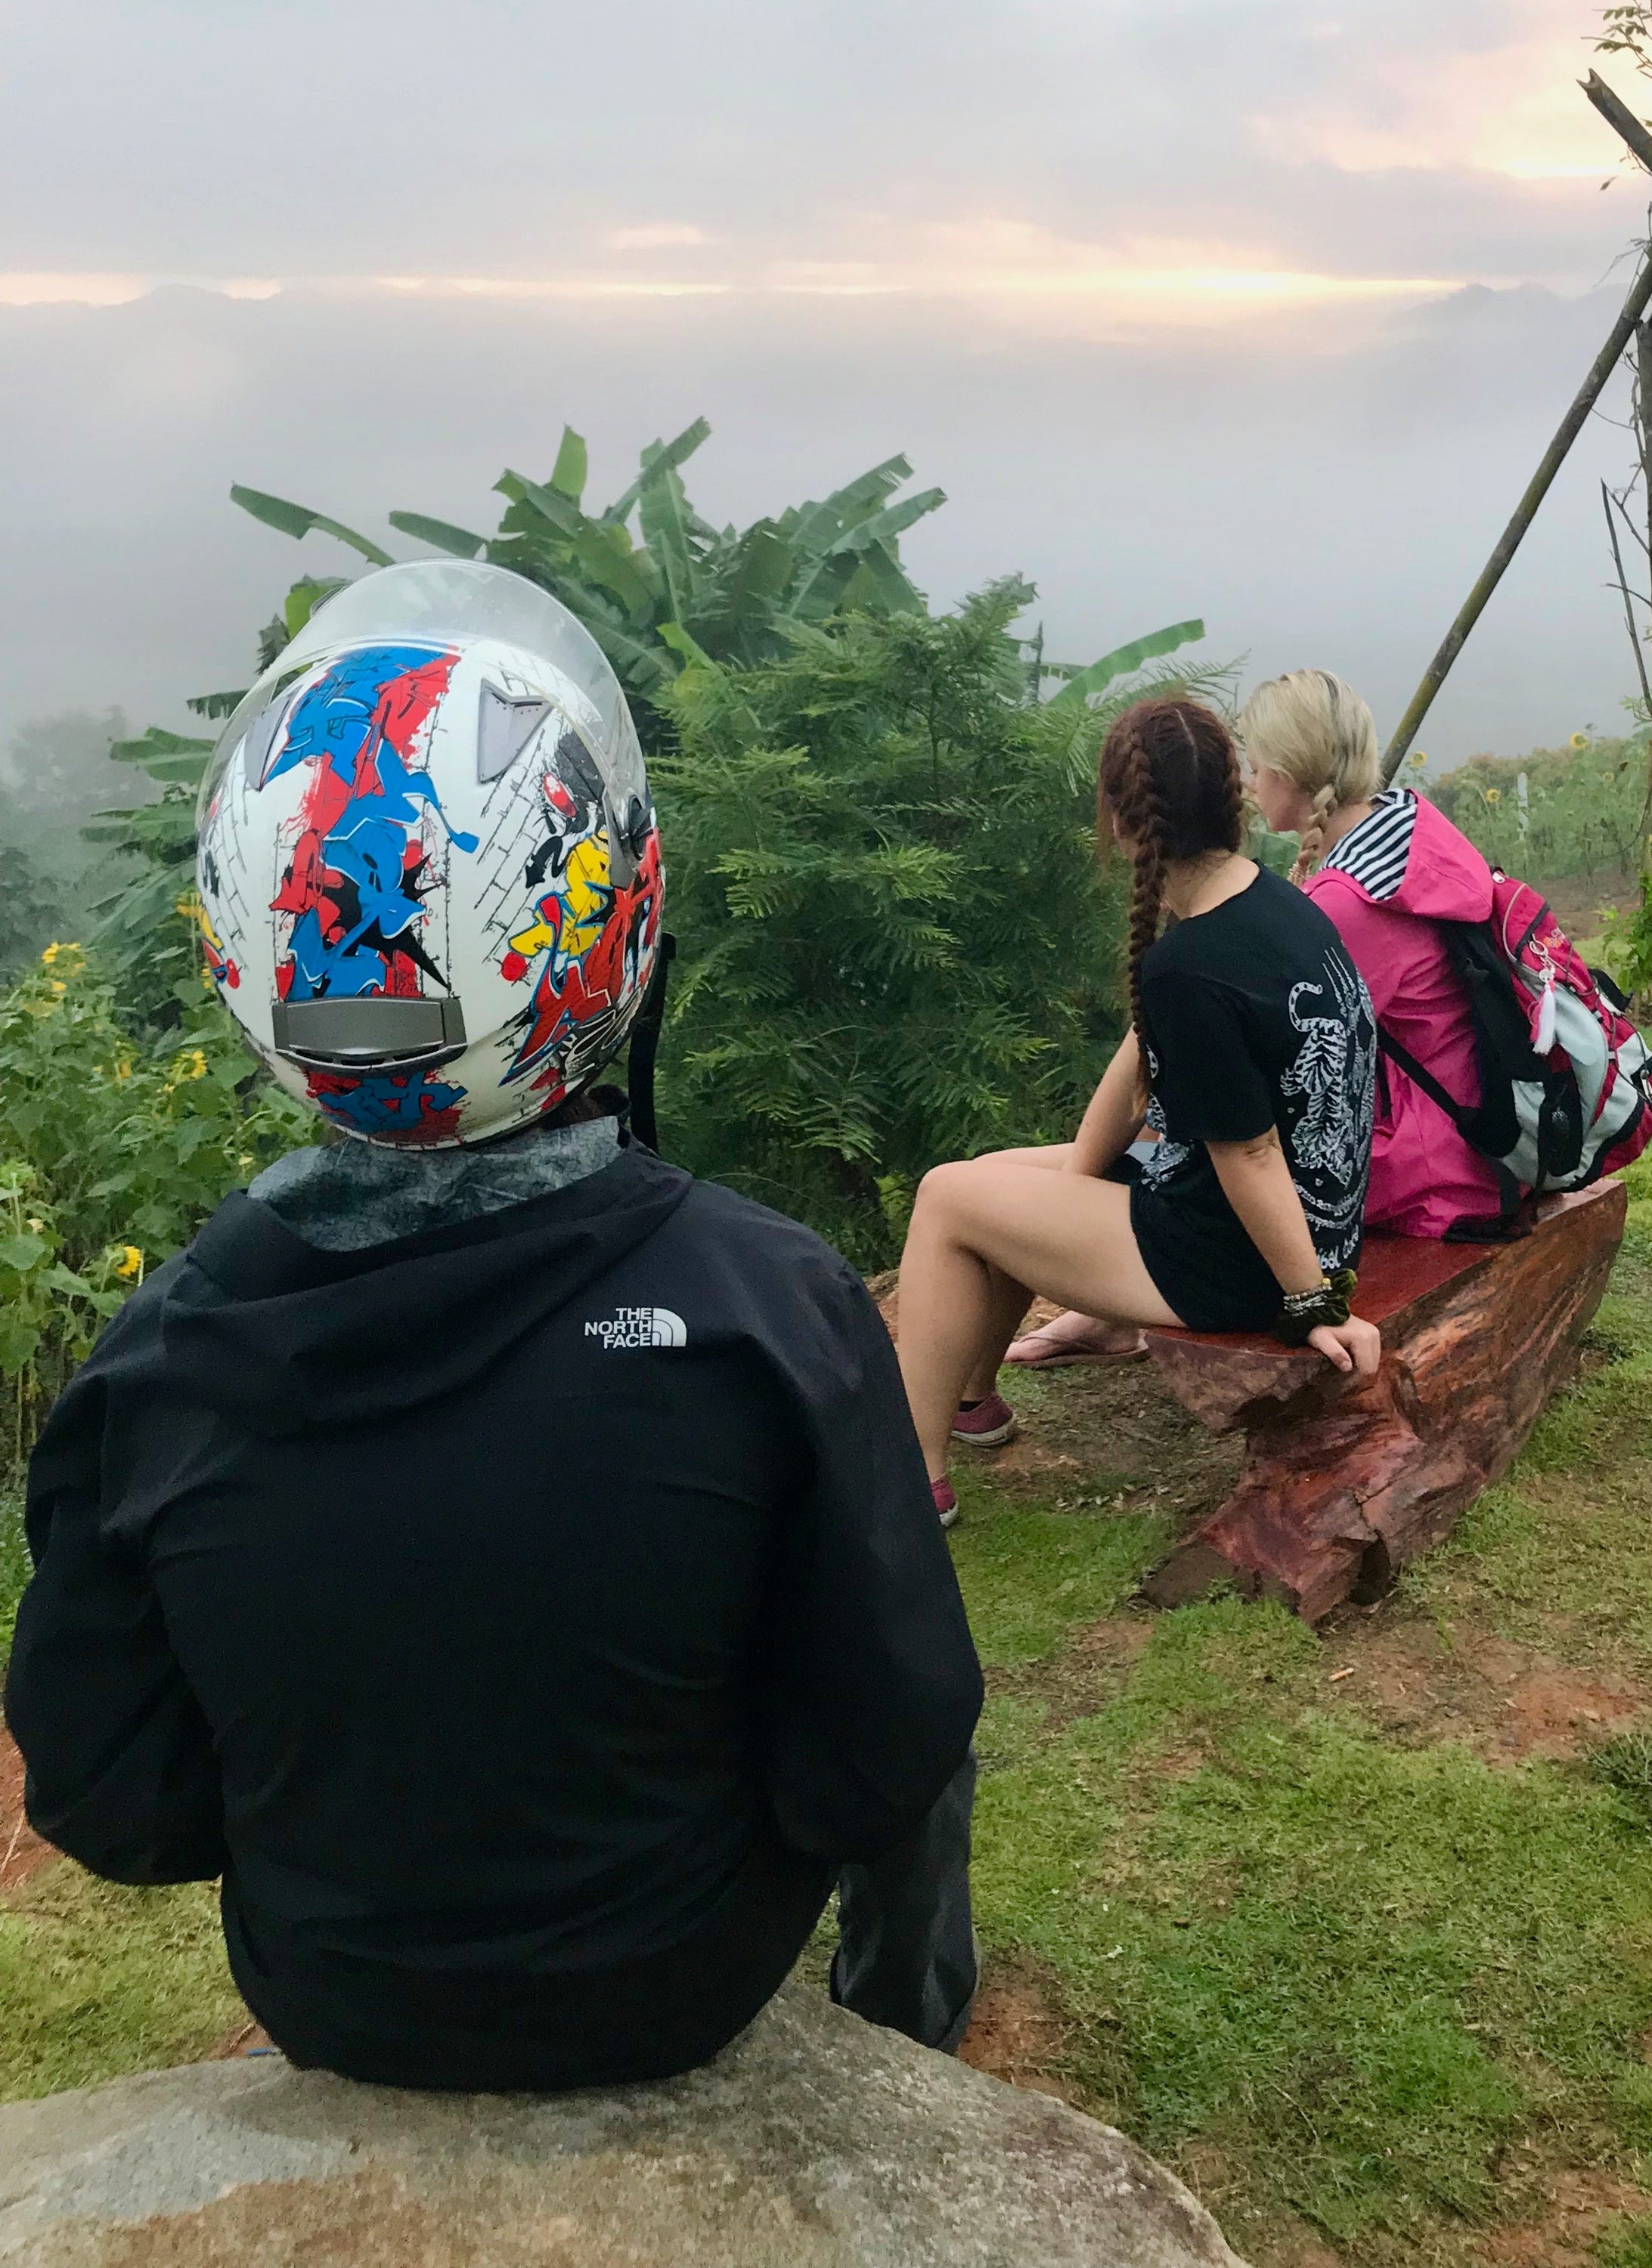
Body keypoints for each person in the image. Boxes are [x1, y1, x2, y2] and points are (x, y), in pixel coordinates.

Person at [4, 562, 982, 2091]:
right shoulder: (766, 1307)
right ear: (611, 926)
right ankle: (910, 2031)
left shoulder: (156, 1370)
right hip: (685, 1982)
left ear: (237, 955)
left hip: (335, 2000)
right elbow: (889, 1736)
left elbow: (115, 1796)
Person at [894, 696, 1382, 1524]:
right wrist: (1075, 1185)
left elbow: (1251, 1154)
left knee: (945, 1194)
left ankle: (906, 1475)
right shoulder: (1269, 900)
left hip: (1242, 1262)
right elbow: (1141, 1056)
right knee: (994, 1181)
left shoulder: (1190, 966)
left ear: (1123, 819)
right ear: (1230, 799)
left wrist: (1312, 1306)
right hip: (1305, 1221)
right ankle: (971, 1400)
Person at [1242, 669, 1512, 1241]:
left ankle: (1096, 1323)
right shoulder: (1408, 837)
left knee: (1214, 1178)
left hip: (1439, 1171)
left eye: (1257, 767)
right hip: (1479, 1131)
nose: (1249, 782)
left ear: (1289, 775)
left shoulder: (1347, 903)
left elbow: (1285, 1063)